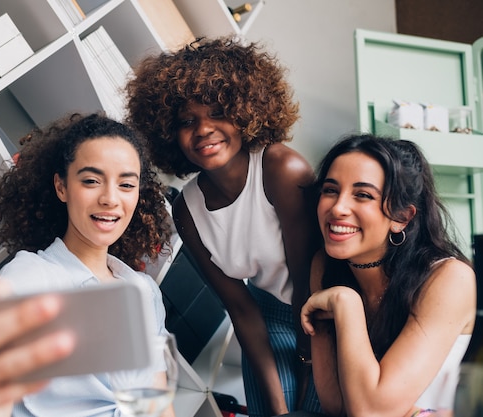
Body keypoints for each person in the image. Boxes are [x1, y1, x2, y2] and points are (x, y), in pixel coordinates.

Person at [0, 113, 175, 417]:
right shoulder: (30, 278)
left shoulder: (142, 290)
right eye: (91, 181)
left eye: (126, 184)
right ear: (61, 187)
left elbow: (156, 401)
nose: (110, 199)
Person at [125, 37, 321, 416]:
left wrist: (309, 364)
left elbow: (307, 284)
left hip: (322, 311)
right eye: (187, 121)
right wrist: (278, 409)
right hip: (265, 320)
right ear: (168, 132)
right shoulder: (187, 209)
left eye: (217, 112)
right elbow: (241, 308)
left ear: (245, 112)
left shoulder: (282, 169)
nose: (203, 129)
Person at [300, 134, 477, 417]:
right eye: (331, 190)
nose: (337, 208)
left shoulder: (449, 278)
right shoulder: (325, 266)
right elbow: (335, 405)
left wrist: (347, 305)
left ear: (401, 218)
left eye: (363, 195)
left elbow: (372, 414)